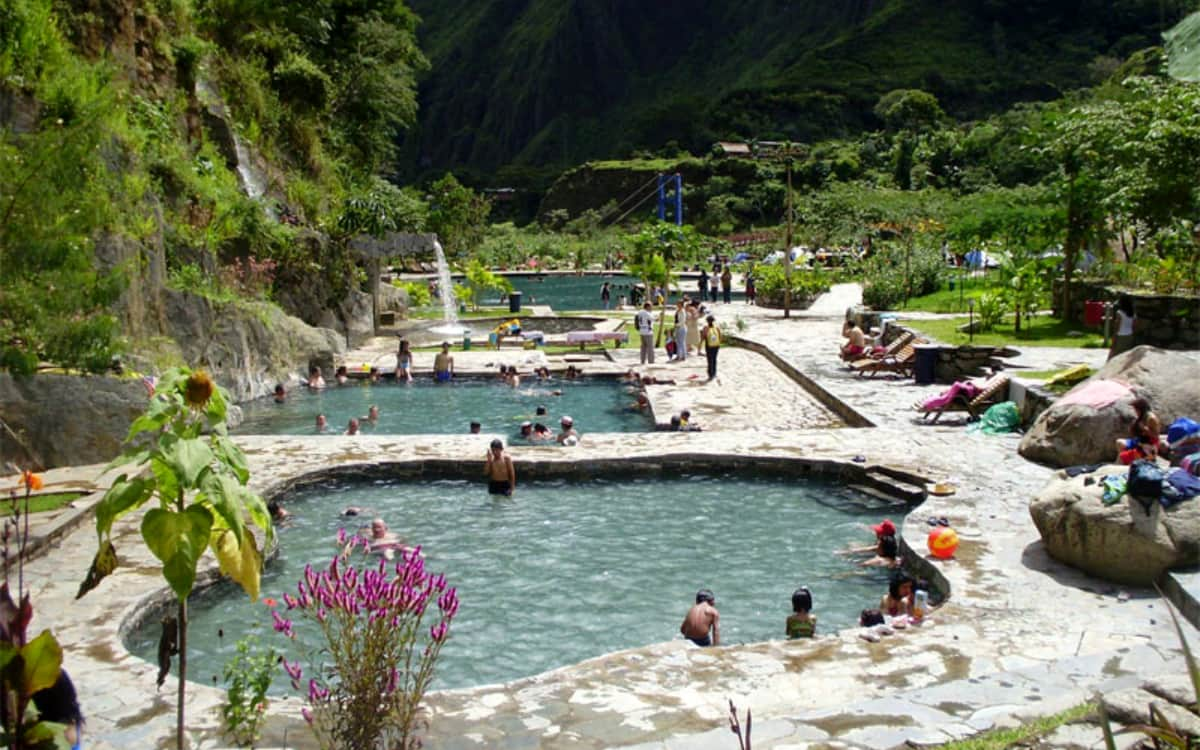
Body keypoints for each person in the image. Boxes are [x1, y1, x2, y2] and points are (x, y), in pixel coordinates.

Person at [1117, 397, 1163, 462]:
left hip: (1148, 448)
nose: (1135, 412)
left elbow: (1156, 436)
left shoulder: (1151, 419)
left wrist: (1144, 429)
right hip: (1139, 442)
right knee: (1119, 443)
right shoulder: (1142, 417)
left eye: (1136, 409)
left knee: (1122, 457)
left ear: (1141, 409)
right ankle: (1128, 463)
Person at [1109, 294, 1137, 360]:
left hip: (1121, 336)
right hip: (1130, 335)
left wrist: (1114, 339)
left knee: (1116, 356)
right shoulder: (1133, 313)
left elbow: (1117, 327)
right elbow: (1134, 326)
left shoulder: (1119, 313)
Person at [702, 315, 722, 381]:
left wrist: (700, 345)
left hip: (709, 345)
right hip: (716, 345)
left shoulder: (706, 328)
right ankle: (714, 372)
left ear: (707, 321)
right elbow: (720, 337)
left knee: (709, 359)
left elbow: (703, 337)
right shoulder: (717, 328)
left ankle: (710, 373)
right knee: (714, 358)